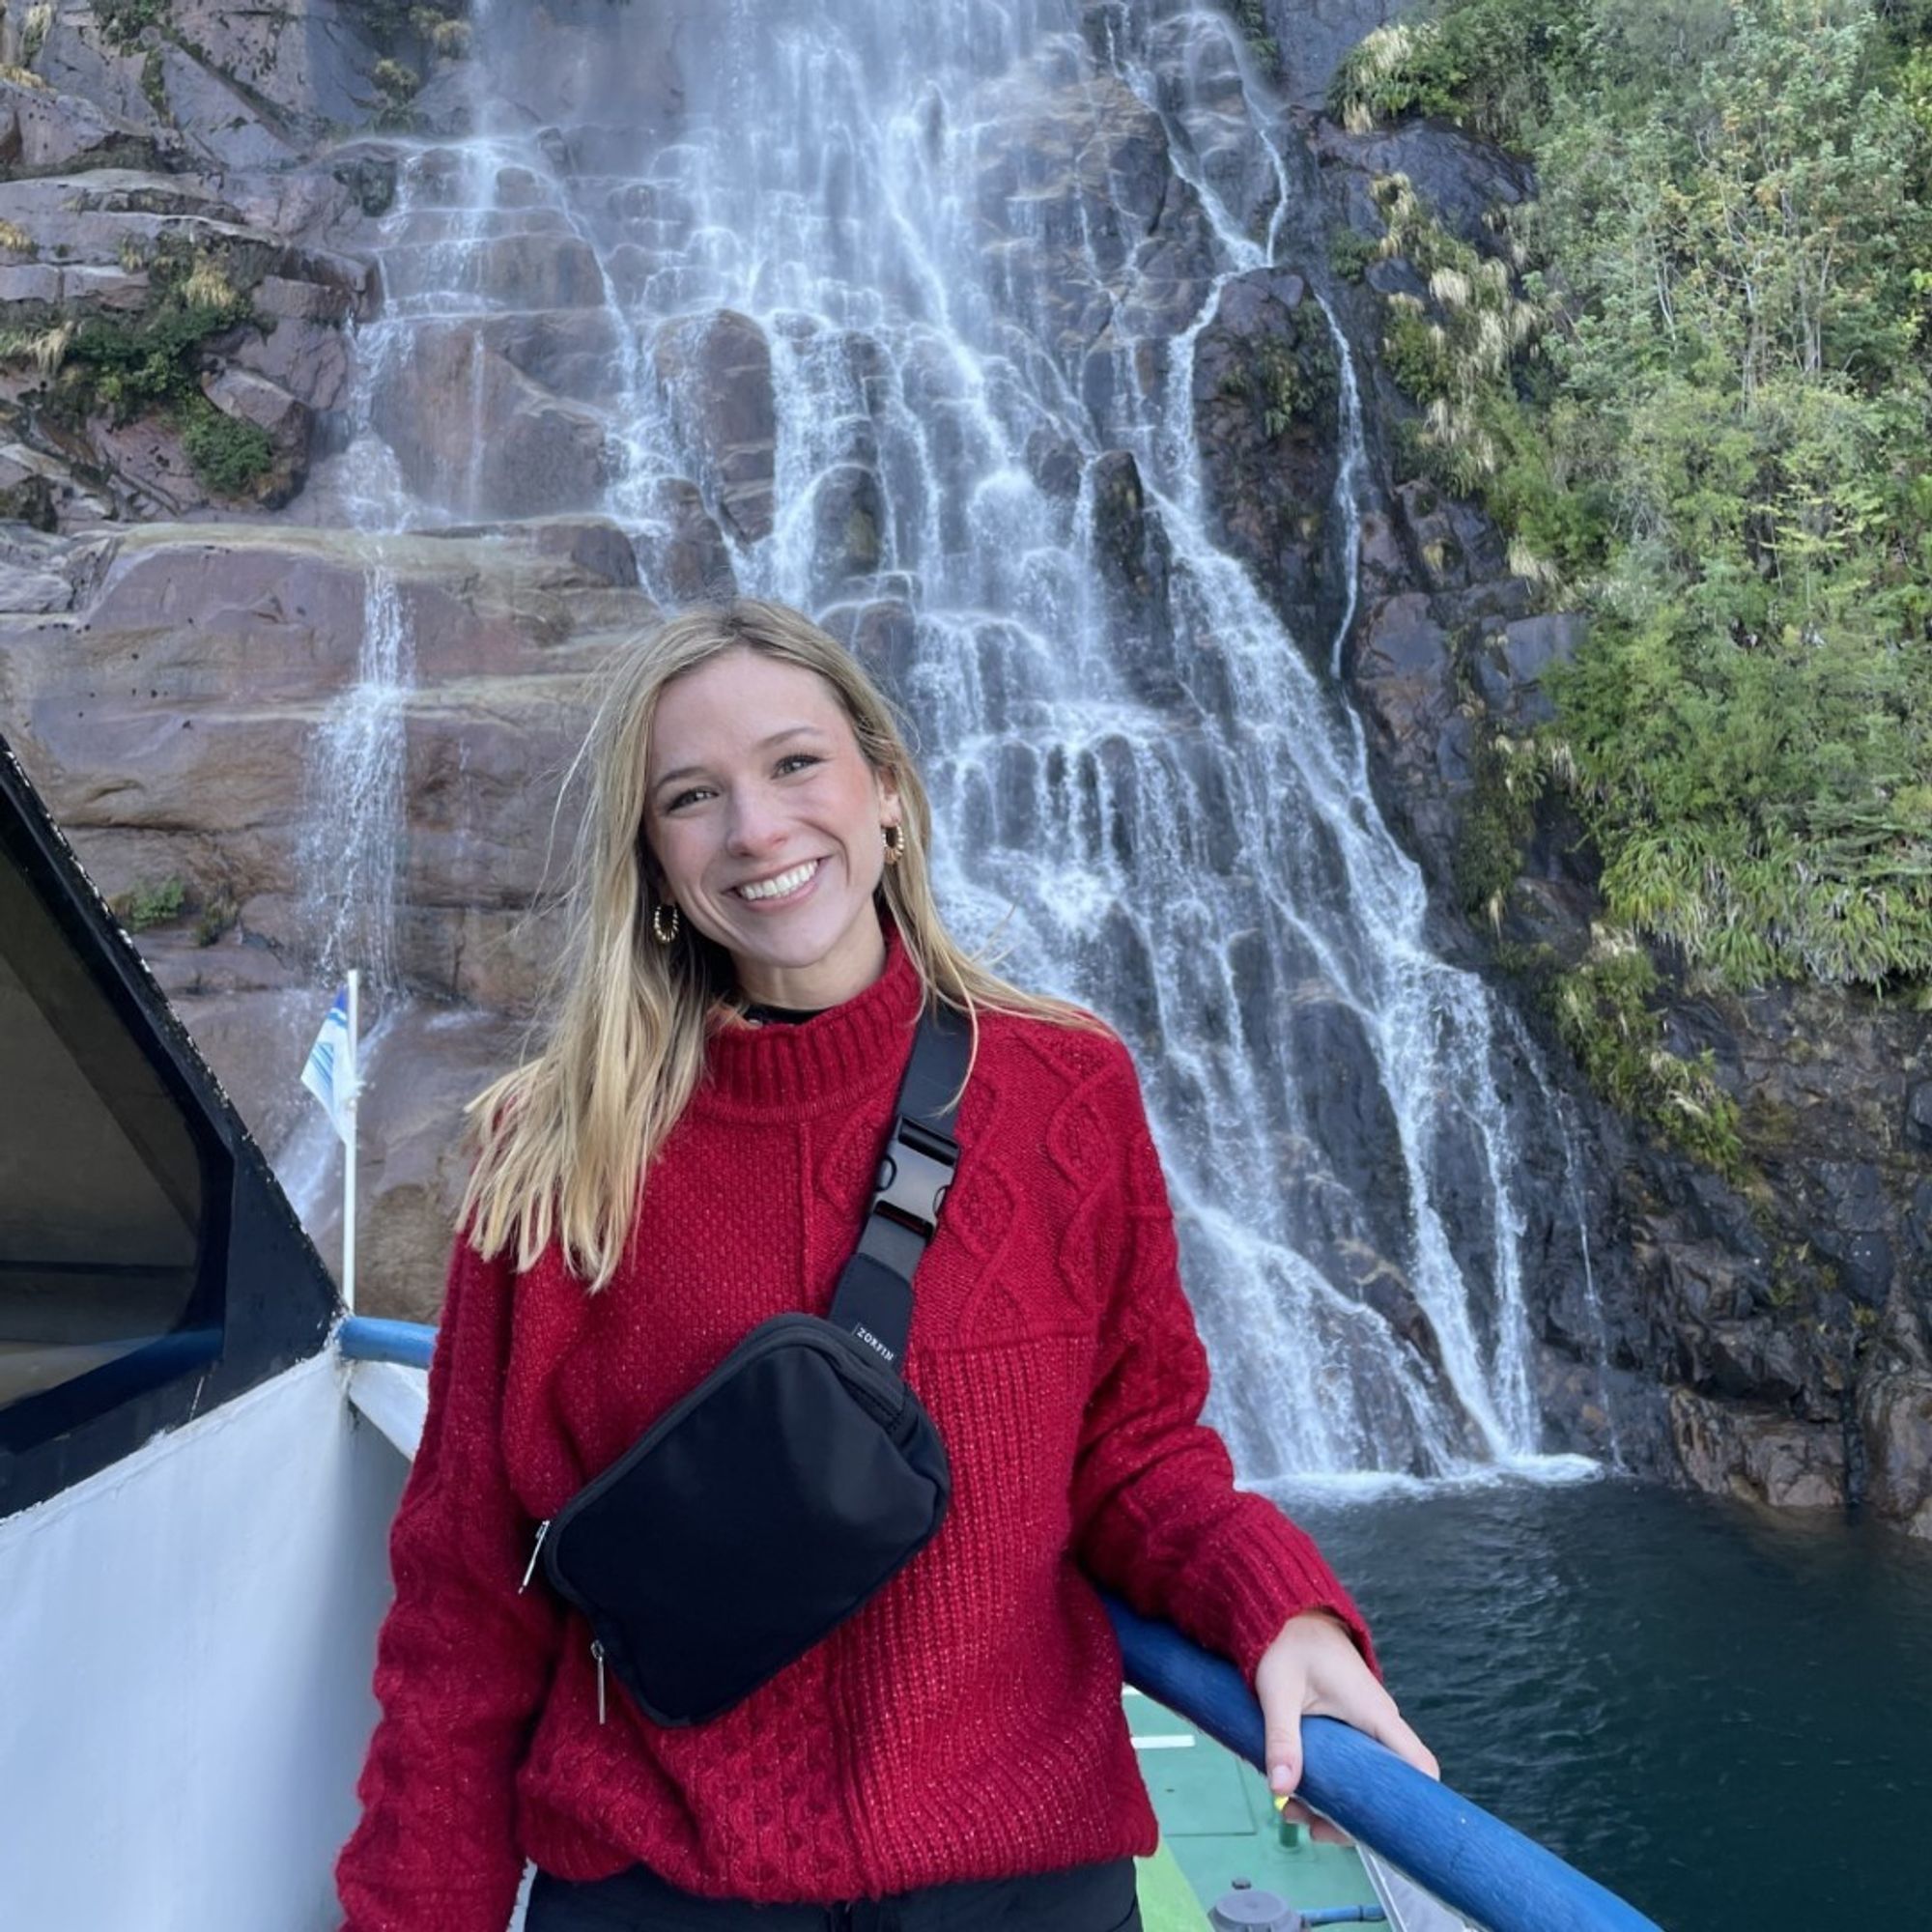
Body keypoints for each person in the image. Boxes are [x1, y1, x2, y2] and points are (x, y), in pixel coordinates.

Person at [335, 599, 1435, 1932]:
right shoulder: (554, 1149)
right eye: (694, 796)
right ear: (654, 862)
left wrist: (1285, 1609)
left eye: (797, 764)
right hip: (662, 1888)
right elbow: (466, 1597)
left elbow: (1137, 1455)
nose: (757, 829)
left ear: (890, 794)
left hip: (1016, 1884)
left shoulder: (1066, 1093)